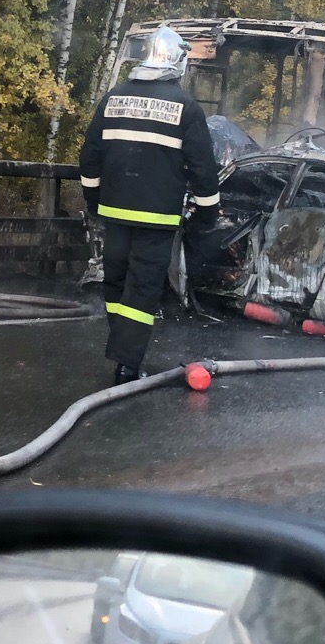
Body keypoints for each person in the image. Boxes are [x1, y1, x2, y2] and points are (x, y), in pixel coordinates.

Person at [77, 23, 221, 382]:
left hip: (114, 213)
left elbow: (90, 156)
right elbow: (202, 168)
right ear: (176, 62)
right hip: (157, 218)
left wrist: (94, 199)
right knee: (142, 290)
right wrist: (207, 213)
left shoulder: (113, 98)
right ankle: (127, 365)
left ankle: (120, 344)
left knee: (116, 282)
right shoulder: (186, 107)